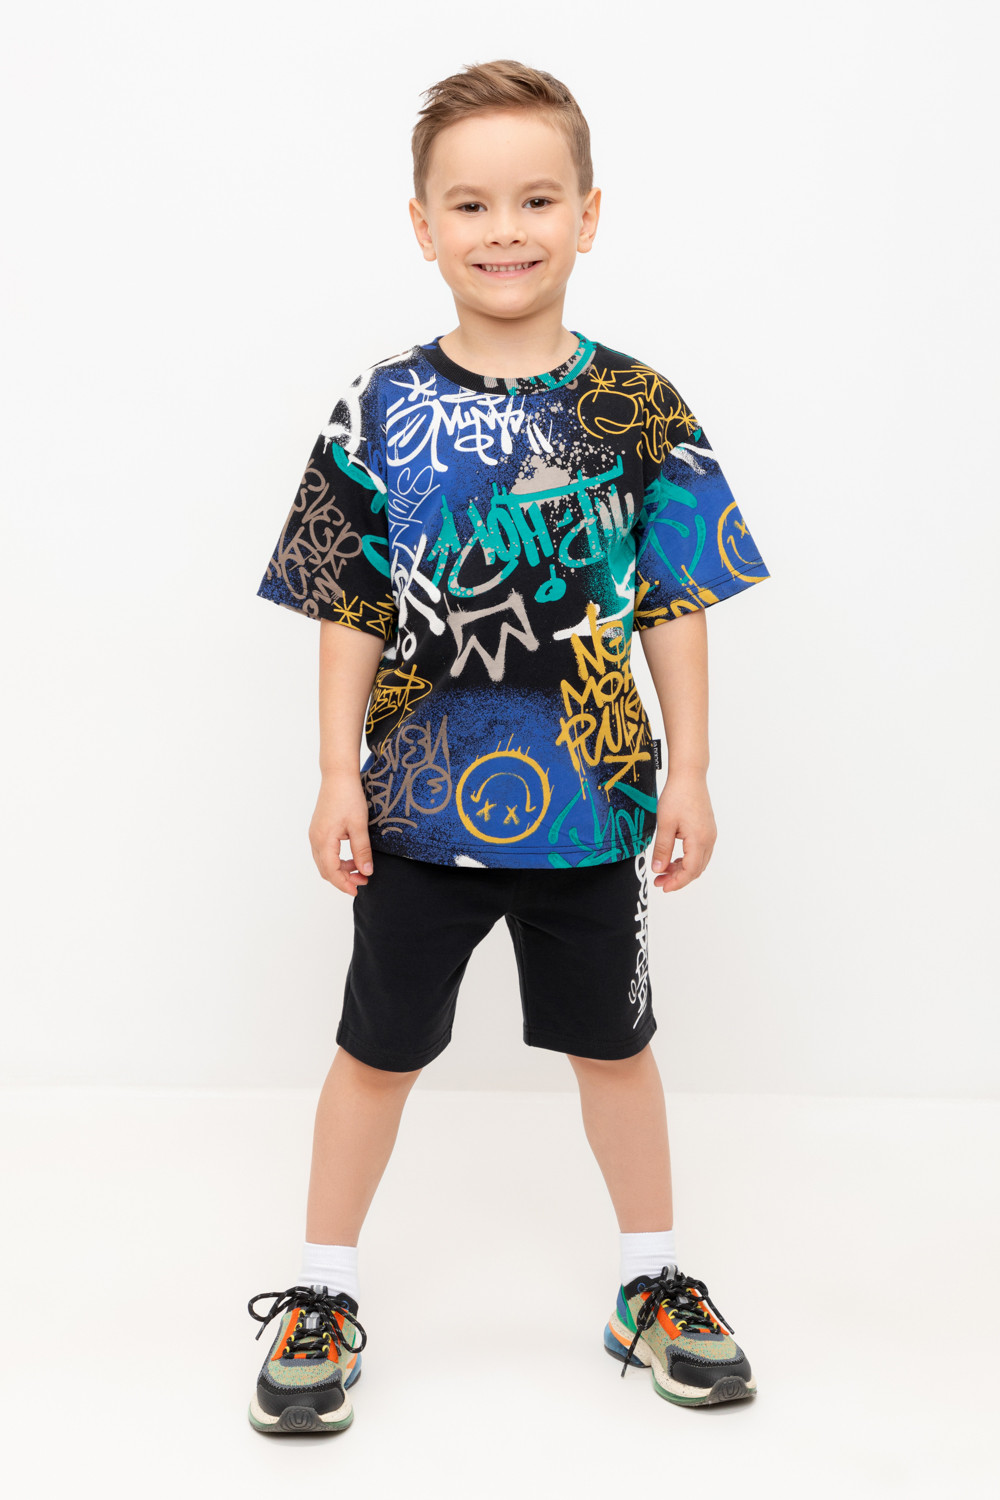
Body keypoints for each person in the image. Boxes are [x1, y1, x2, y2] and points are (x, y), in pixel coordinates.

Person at [246, 58, 771, 1435]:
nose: (504, 230)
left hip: (594, 807)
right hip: (418, 810)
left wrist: (692, 770)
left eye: (537, 199)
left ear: (588, 214)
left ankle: (652, 1281)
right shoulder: (376, 407)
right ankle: (320, 1290)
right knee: (375, 1051)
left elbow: (677, 597)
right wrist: (335, 772)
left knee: (618, 1049)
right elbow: (350, 606)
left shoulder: (640, 407)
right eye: (470, 204)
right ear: (422, 225)